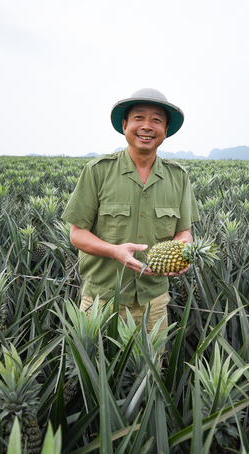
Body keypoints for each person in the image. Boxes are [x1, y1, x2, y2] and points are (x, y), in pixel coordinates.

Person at [62, 88, 200, 335]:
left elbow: (184, 233)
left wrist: (182, 253)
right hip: (100, 301)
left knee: (150, 371)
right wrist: (114, 251)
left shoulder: (178, 177)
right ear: (125, 125)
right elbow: (77, 234)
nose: (147, 126)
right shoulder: (97, 171)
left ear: (165, 130)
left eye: (156, 120)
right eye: (139, 118)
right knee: (93, 372)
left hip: (154, 303)